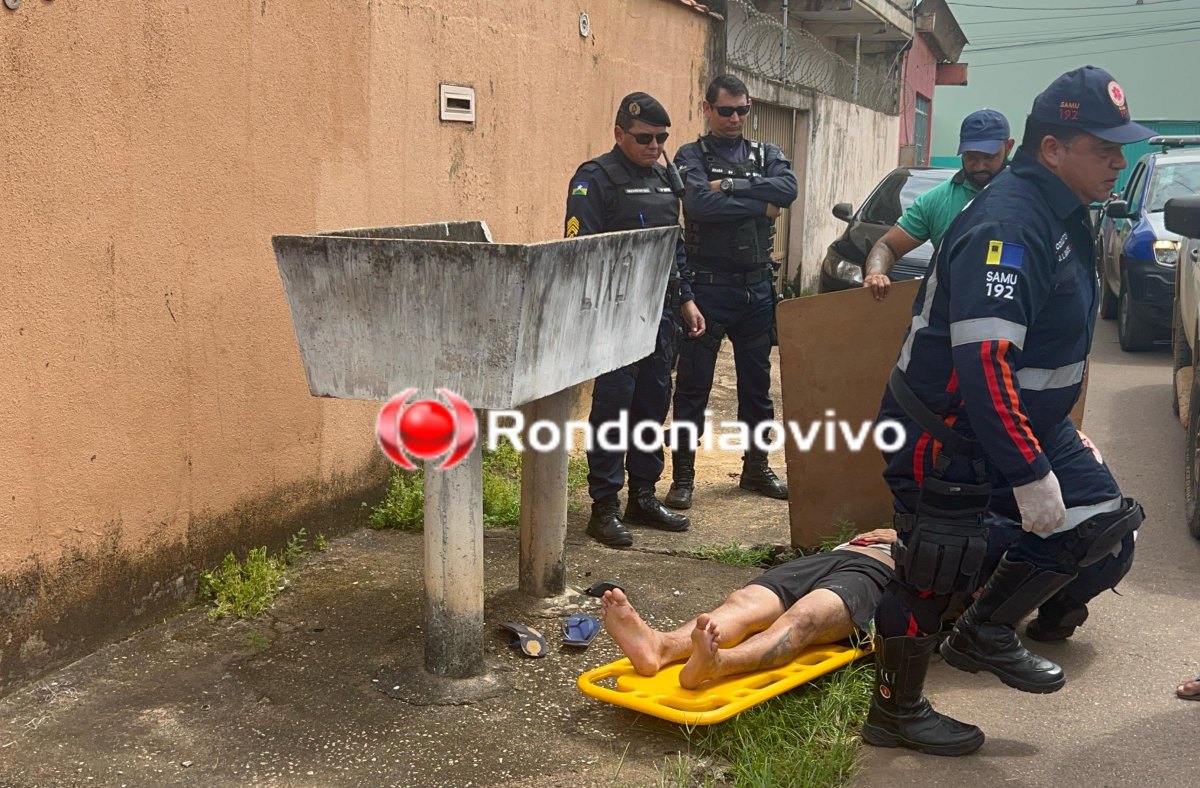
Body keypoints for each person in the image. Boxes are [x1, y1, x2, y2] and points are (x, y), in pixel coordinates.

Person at [862, 65, 1153, 757]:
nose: (1119, 159)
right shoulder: (1011, 222)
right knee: (935, 565)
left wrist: (1044, 445)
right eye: (1102, 147)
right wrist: (1027, 470)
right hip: (949, 430)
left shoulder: (1058, 209)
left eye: (1121, 147)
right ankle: (895, 711)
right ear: (1052, 148)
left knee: (1101, 519)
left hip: (1018, 421)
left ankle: (986, 628)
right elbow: (984, 362)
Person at [564, 92, 706, 549]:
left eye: (662, 138)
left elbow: (673, 246)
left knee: (651, 406)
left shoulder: (667, 177)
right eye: (645, 138)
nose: (655, 146)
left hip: (659, 315)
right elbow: (579, 251)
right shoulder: (595, 179)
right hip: (615, 315)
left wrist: (686, 299)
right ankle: (603, 507)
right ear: (619, 133)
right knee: (613, 410)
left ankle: (642, 496)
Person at [664, 74, 798, 510]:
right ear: (707, 109)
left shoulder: (767, 153)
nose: (735, 118)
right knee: (693, 388)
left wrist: (733, 187)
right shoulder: (691, 155)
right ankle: (683, 477)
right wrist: (761, 203)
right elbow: (699, 204)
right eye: (725, 110)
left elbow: (788, 190)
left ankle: (756, 468)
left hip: (756, 287)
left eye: (742, 109)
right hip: (707, 289)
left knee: (757, 388)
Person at [600, 529, 895, 689]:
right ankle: (660, 647)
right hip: (836, 554)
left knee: (805, 617)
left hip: (882, 571)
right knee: (743, 603)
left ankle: (719, 663)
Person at [863, 109, 1014, 302]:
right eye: (971, 157)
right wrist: (876, 273)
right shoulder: (936, 201)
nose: (979, 166)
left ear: (1008, 147)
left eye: (989, 157)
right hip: (953, 314)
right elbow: (887, 246)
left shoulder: (1027, 197)